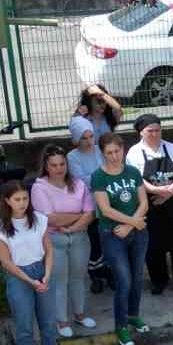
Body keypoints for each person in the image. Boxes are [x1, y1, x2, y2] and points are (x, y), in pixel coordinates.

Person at [0, 180, 63, 345]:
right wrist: (30, 281)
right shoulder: (0, 229)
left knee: (48, 321)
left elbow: (48, 249)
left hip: (41, 270)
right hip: (19, 277)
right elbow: (6, 262)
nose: (22, 203)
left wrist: (46, 275)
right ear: (7, 201)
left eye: (25, 198)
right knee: (24, 324)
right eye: (17, 199)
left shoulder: (39, 220)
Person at [29, 144, 97, 339]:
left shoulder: (78, 184)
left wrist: (73, 225)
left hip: (79, 236)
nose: (59, 169)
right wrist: (77, 215)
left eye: (62, 164)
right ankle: (62, 319)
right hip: (54, 239)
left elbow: (90, 213)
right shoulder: (39, 188)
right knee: (59, 281)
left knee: (78, 277)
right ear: (46, 166)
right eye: (54, 165)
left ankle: (80, 314)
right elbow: (49, 219)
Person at [90, 132, 151, 345]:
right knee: (123, 280)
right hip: (111, 233)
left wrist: (130, 226)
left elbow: (144, 202)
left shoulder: (133, 172)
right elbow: (105, 209)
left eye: (117, 151)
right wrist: (132, 223)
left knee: (136, 277)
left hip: (136, 232)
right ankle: (121, 325)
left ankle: (133, 315)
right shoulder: (98, 176)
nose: (114, 156)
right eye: (109, 153)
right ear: (103, 153)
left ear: (123, 149)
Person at [126, 114, 173, 294]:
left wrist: (168, 192)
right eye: (150, 131)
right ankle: (158, 280)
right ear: (141, 132)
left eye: (158, 130)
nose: (155, 134)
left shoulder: (171, 148)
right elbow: (136, 179)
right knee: (153, 243)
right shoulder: (134, 153)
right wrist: (157, 191)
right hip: (150, 203)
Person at [65, 118, 111, 294]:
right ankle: (96, 275)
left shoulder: (101, 150)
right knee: (94, 241)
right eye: (84, 138)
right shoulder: (72, 157)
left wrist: (99, 177)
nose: (89, 141)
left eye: (91, 136)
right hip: (89, 205)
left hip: (108, 201)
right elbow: (81, 180)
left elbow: (111, 170)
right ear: (76, 139)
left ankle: (110, 272)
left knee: (109, 238)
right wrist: (104, 176)